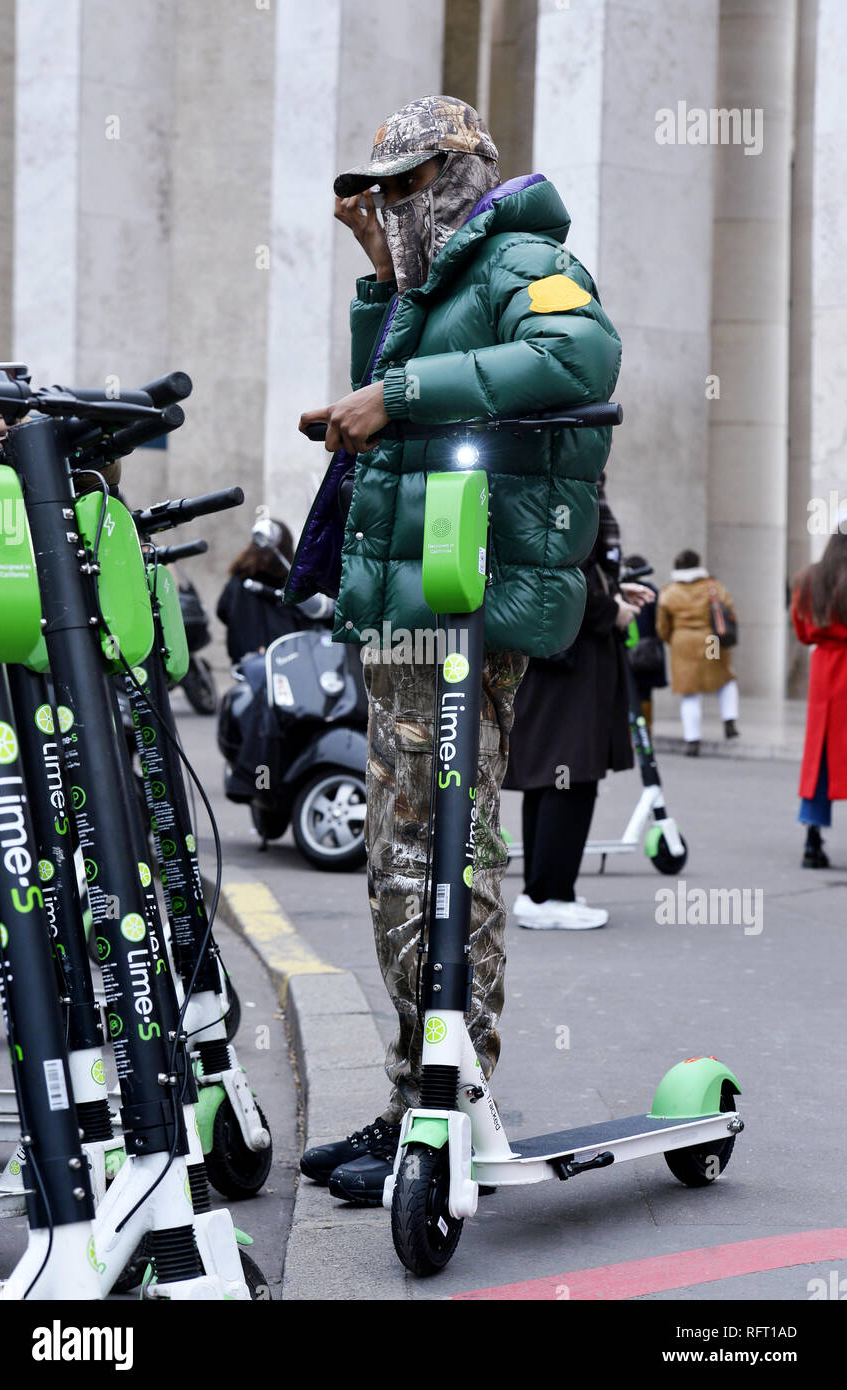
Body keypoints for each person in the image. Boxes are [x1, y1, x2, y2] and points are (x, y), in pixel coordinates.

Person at [287, 94, 621, 1204]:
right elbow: (381, 397)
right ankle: (410, 1094)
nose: (391, 204)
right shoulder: (427, 281)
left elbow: (580, 356)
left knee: (445, 849)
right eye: (381, 191)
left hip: (465, 601)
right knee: (396, 856)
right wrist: (379, 276)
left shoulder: (526, 254)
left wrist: (400, 390)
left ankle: (445, 1093)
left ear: (458, 174)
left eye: (403, 188)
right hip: (402, 601)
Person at [504, 485, 647, 929]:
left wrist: (617, 591)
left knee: (555, 774)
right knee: (570, 773)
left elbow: (574, 567)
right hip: (572, 658)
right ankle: (549, 895)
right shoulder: (568, 493)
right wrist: (612, 611)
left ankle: (545, 890)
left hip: (560, 655)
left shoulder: (557, 489)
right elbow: (564, 573)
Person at [791, 530, 847, 868]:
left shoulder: (809, 578)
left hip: (824, 671)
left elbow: (800, 629)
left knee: (820, 758)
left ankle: (812, 840)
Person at [655, 548, 739, 755]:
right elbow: (728, 607)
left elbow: (662, 626)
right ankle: (729, 720)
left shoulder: (669, 591)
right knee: (724, 679)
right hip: (710, 640)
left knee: (690, 693)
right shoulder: (712, 587)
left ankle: (692, 740)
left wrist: (670, 639)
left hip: (682, 642)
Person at [216, 517, 301, 663]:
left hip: (249, 661)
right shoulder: (285, 583)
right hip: (282, 660)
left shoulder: (239, 578)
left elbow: (222, 610)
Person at [622, 551, 667, 729]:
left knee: (626, 694)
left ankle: (631, 734)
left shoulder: (621, 590)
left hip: (627, 650)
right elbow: (661, 624)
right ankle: (646, 732)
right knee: (645, 694)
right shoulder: (652, 592)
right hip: (648, 652)